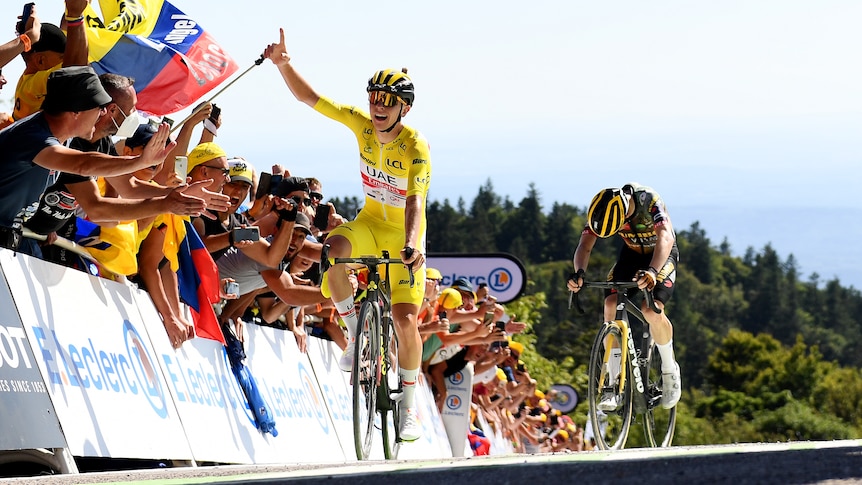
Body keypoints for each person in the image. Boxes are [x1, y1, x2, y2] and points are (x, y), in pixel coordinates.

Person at [264, 29, 430, 441]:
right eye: (374, 98)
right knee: (333, 251)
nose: (377, 107)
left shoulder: (415, 148)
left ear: (403, 109)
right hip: (371, 224)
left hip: (404, 234)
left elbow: (415, 202)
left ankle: (409, 407)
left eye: (387, 103)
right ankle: (356, 333)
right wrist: (285, 64)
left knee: (405, 321)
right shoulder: (362, 125)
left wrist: (411, 245)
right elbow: (311, 99)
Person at [0, 65, 174, 255]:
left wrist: (175, 192)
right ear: (76, 110)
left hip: (12, 234)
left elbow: (126, 184)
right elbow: (83, 164)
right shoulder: (35, 137)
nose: (102, 114)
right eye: (99, 108)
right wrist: (141, 163)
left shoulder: (59, 136)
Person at [566, 183, 681, 409]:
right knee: (610, 303)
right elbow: (585, 245)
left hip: (660, 254)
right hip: (630, 256)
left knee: (651, 309)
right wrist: (579, 273)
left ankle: (669, 370)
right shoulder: (602, 207)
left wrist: (653, 272)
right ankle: (612, 380)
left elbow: (665, 237)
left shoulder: (648, 200)